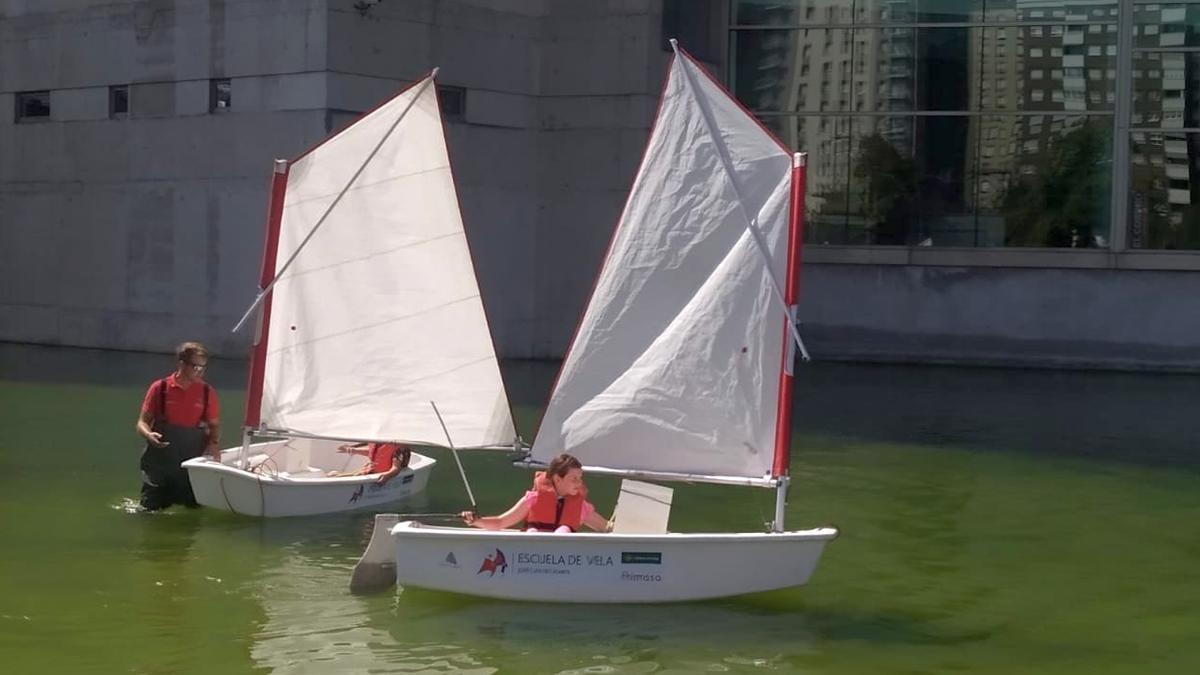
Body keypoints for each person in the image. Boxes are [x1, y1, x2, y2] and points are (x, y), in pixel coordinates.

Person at [135, 341, 220, 511]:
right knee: (148, 510)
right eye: (196, 367)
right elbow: (141, 423)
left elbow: (214, 425)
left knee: (193, 511)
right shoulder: (160, 388)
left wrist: (214, 445)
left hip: (191, 462)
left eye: (203, 367)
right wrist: (149, 435)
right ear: (181, 364)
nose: (200, 371)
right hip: (160, 462)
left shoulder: (206, 392)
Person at [460, 453, 611, 533]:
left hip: (561, 564)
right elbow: (501, 522)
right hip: (532, 560)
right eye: (574, 478)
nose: (580, 483)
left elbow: (606, 528)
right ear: (558, 479)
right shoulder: (534, 499)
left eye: (580, 478)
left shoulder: (580, 506)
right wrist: (475, 521)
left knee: (564, 530)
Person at [328, 442, 412, 486]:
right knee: (332, 474)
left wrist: (387, 476)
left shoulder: (399, 447)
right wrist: (352, 450)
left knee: (334, 476)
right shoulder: (378, 442)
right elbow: (374, 452)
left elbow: (396, 468)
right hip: (369, 471)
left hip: (378, 475)